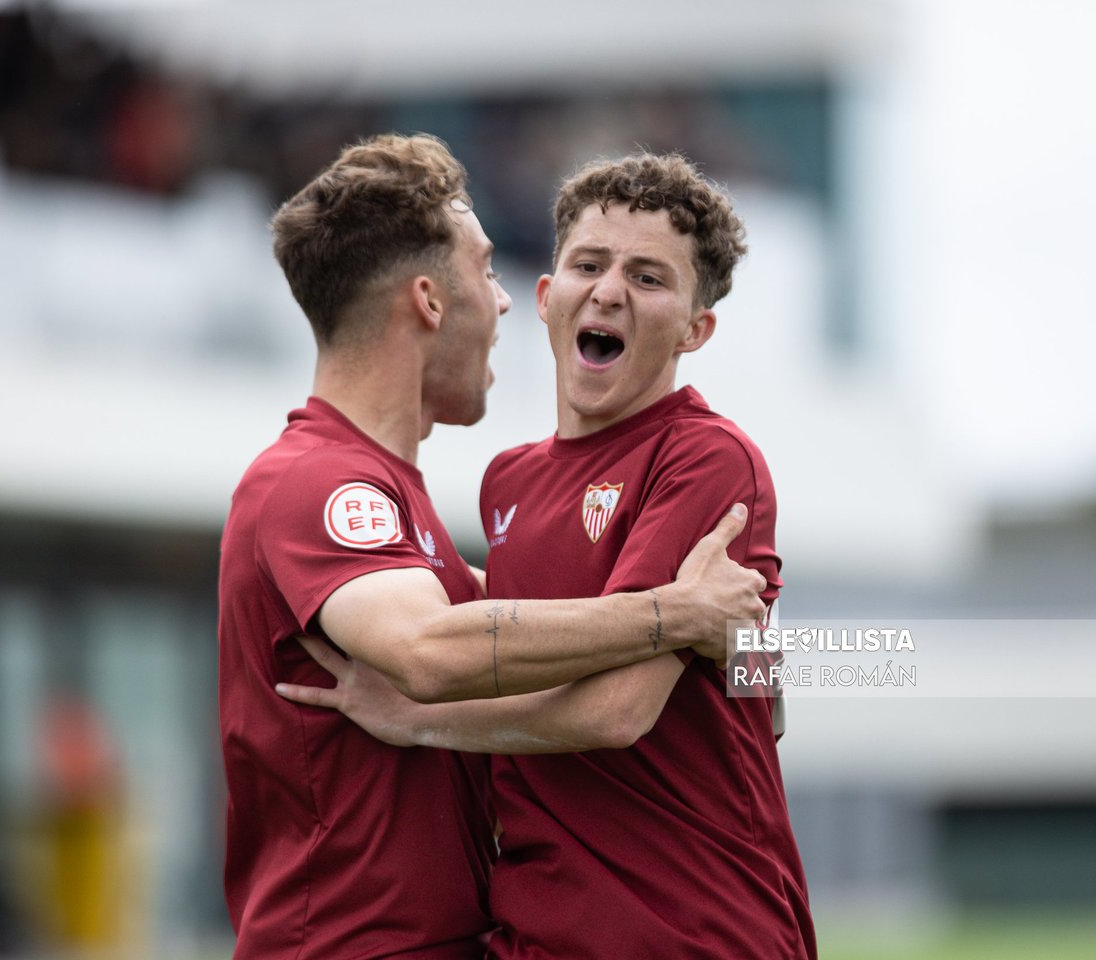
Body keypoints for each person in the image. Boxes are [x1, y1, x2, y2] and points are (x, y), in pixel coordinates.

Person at [219, 133, 768, 960]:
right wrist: (682, 615)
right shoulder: (344, 486)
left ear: (697, 328)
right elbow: (437, 650)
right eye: (487, 270)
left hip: (686, 938)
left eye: (648, 277)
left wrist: (762, 649)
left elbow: (677, 689)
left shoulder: (704, 456)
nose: (504, 298)